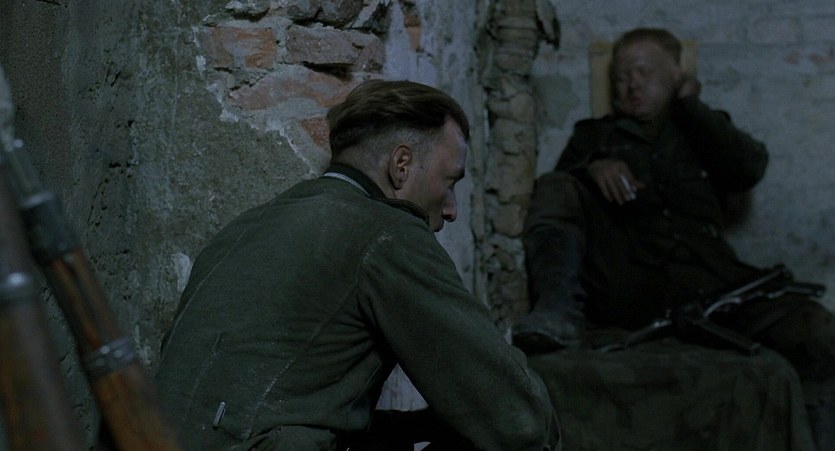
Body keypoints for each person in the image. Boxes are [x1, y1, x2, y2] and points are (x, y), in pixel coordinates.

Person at [153, 79, 559, 450]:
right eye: (449, 182)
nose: (451, 209)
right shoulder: (387, 233)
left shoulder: (246, 227)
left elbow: (270, 405)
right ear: (401, 165)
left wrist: (412, 426)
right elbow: (518, 419)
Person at [512, 27, 835, 449]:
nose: (632, 84)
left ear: (677, 75)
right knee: (557, 184)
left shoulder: (702, 128)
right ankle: (558, 312)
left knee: (818, 332)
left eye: (644, 72)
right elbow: (558, 196)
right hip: (633, 283)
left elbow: (748, 168)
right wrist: (591, 168)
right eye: (622, 76)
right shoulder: (595, 135)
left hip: (713, 282)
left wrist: (690, 105)